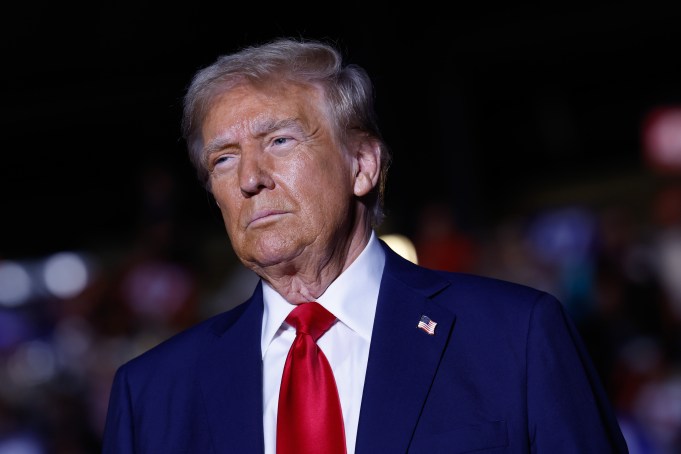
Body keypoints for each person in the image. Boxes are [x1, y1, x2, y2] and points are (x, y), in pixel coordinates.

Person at [101, 37, 629, 453]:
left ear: (363, 164)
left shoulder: (515, 337)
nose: (249, 179)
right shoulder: (152, 394)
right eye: (223, 159)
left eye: (279, 141)